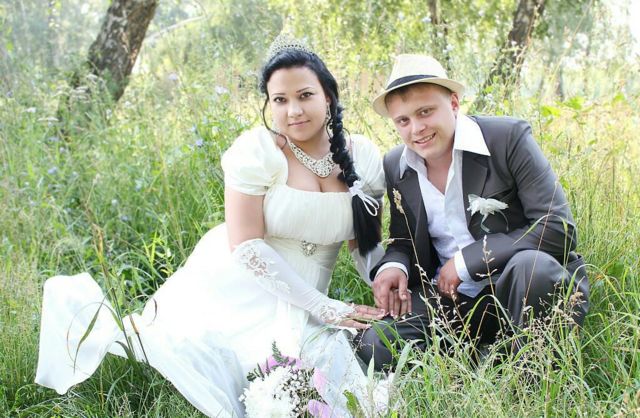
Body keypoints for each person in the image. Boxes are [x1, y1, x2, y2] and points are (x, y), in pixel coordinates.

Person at [35, 35, 388, 417]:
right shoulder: (259, 151)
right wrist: (323, 306)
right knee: (243, 367)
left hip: (310, 292)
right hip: (245, 285)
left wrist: (384, 283)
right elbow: (247, 246)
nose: (293, 111)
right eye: (280, 100)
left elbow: (364, 243)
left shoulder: (362, 157)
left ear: (328, 96)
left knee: (348, 390)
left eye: (305, 95)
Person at [356, 54, 590, 370]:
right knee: (376, 344)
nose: (417, 129)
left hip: (519, 287)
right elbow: (403, 241)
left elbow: (557, 227)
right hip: (451, 299)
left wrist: (467, 261)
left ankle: (532, 375)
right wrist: (393, 267)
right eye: (403, 121)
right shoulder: (396, 165)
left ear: (453, 103)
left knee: (532, 267)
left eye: (425, 112)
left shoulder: (507, 138)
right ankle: (473, 362)